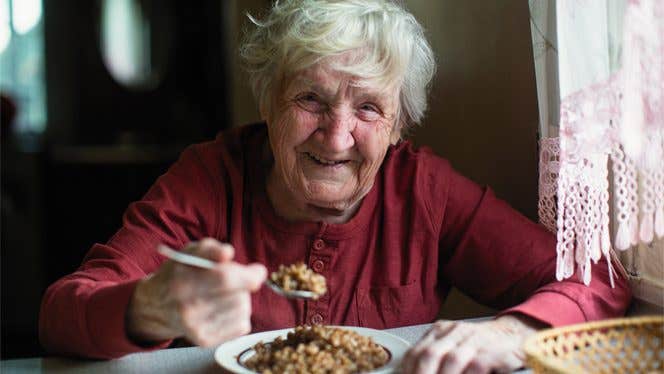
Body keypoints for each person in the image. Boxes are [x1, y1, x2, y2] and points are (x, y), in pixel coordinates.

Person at [39, 0, 631, 372]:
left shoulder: (422, 188)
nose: (338, 135)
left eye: (369, 107)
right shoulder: (207, 179)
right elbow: (64, 312)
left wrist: (512, 331)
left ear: (398, 124)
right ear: (269, 103)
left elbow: (596, 280)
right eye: (310, 99)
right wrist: (149, 307)